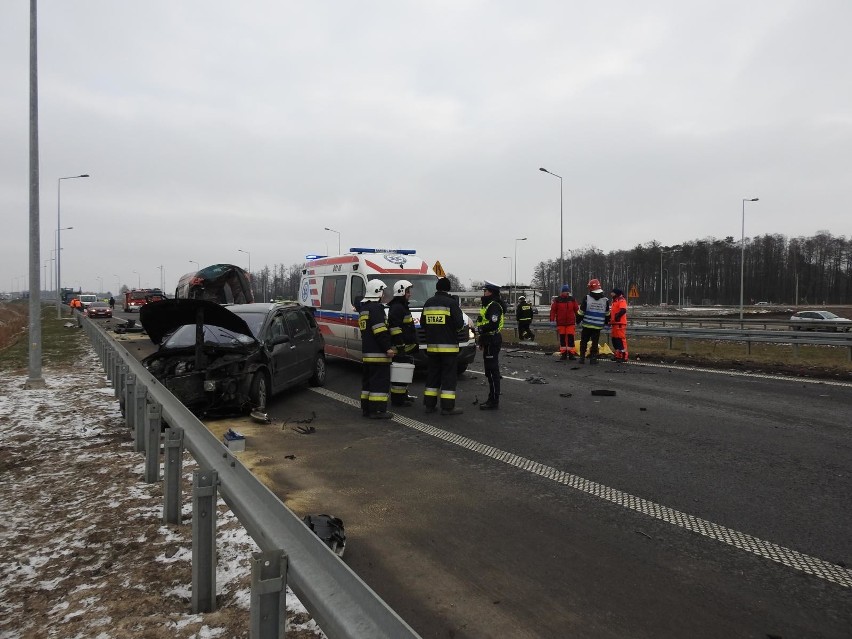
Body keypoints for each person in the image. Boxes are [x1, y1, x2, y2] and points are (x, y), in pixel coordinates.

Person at [421, 277, 466, 416]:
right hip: (448, 348)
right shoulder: (451, 303)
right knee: (448, 377)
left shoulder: (428, 303)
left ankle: (429, 405)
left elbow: (423, 324)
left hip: (432, 348)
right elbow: (460, 325)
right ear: (448, 288)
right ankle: (447, 407)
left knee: (432, 376)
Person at [358, 279, 395, 419]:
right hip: (378, 354)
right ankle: (378, 410)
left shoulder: (364, 309)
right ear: (377, 292)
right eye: (382, 291)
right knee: (379, 383)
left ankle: (367, 409)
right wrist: (388, 348)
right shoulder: (376, 309)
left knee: (368, 383)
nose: (384, 295)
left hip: (367, 353)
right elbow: (380, 331)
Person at [387, 279, 419, 407]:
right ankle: (398, 400)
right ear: (401, 292)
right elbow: (395, 329)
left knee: (404, 373)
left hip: (404, 347)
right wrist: (400, 346)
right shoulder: (397, 308)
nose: (410, 294)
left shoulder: (401, 306)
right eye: (407, 291)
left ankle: (403, 395)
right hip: (400, 348)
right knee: (399, 376)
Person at [476, 281, 505, 410]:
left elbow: (493, 324)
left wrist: (481, 330)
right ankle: (492, 398)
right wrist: (482, 339)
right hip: (488, 340)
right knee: (489, 371)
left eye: (486, 291)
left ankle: (494, 400)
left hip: (492, 340)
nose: (484, 292)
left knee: (492, 372)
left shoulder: (493, 306)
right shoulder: (487, 305)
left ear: (491, 292)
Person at [576, 278, 611, 365]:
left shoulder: (587, 298)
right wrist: (607, 323)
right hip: (598, 325)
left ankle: (582, 358)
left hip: (587, 324)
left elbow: (581, 312)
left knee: (584, 341)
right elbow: (607, 313)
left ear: (591, 288)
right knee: (595, 342)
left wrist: (577, 321)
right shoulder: (605, 300)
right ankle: (593, 359)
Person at [549, 285, 580, 360]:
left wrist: (579, 319)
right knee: (562, 338)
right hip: (561, 322)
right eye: (565, 291)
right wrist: (552, 320)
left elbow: (576, 310)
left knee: (570, 338)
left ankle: (571, 353)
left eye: (567, 291)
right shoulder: (557, 300)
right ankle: (564, 353)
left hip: (570, 322)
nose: (567, 293)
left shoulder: (572, 299)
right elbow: (553, 310)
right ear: (562, 292)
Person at [610, 288, 628, 362]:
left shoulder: (621, 300)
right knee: (615, 340)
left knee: (620, 340)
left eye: (612, 293)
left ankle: (624, 356)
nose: (611, 294)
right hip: (615, 323)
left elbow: (623, 310)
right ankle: (618, 355)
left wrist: (617, 317)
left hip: (620, 323)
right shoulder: (614, 301)